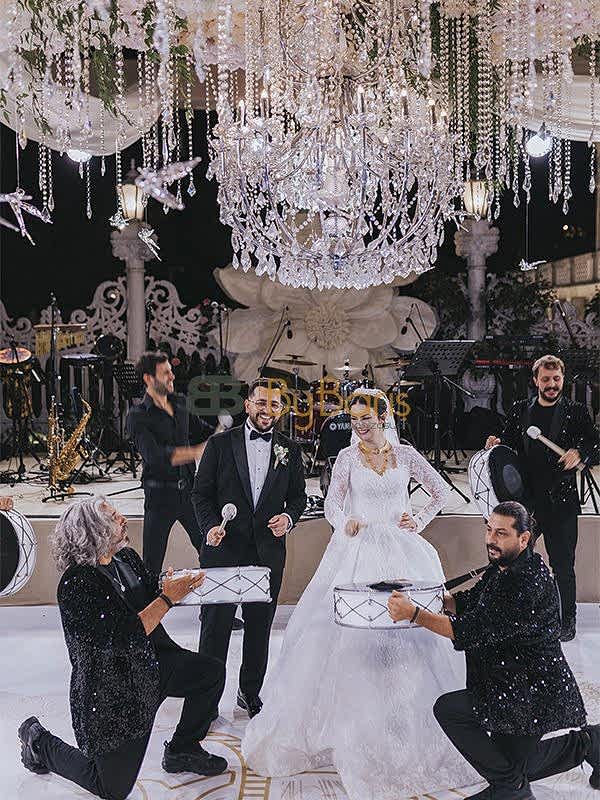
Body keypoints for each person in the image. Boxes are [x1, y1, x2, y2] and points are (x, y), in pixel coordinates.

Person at [241, 388, 477, 800]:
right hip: (358, 550)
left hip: (403, 552)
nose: (360, 426)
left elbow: (440, 491)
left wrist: (418, 519)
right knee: (348, 641)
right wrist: (344, 520)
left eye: (366, 419)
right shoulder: (347, 458)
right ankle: (358, 725)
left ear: (383, 417)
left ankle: (405, 722)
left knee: (411, 639)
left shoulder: (406, 455)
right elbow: (331, 505)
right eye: (354, 420)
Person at [17, 497, 227, 800]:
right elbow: (123, 637)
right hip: (117, 690)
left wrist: (170, 584)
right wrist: (167, 599)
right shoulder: (77, 584)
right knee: (111, 788)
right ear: (95, 531)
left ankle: (183, 749)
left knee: (210, 673)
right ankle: (40, 743)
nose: (123, 520)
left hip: (155, 663)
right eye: (115, 518)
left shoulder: (125, 557)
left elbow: (145, 592)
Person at [388, 500, 599, 800]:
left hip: (531, 691)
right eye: (489, 530)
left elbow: (469, 630)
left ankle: (510, 789)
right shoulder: (506, 567)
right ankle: (591, 743)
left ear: (523, 538)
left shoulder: (524, 581)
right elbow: (469, 602)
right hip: (508, 684)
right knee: (515, 763)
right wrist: (430, 597)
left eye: (501, 533)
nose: (490, 539)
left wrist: (414, 614)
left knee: (450, 710)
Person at [192, 378, 307, 719]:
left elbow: (298, 497)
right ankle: (206, 702)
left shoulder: (290, 450)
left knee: (259, 630)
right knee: (215, 631)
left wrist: (289, 518)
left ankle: (250, 692)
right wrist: (210, 527)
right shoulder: (219, 444)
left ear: (281, 410)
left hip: (267, 554)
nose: (267, 410)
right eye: (261, 402)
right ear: (247, 405)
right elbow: (200, 494)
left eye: (274, 404)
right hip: (224, 551)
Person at [485, 354, 599, 641]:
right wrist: (496, 444)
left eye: (556, 379)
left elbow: (594, 444)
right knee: (516, 562)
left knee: (563, 565)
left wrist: (581, 452)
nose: (551, 384)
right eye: (546, 379)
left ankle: (566, 621)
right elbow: (508, 447)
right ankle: (519, 617)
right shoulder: (519, 410)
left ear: (563, 379)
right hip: (526, 504)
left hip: (561, 501)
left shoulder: (576, 412)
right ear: (536, 380)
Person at [126, 351, 215, 576]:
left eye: (171, 372)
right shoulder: (137, 416)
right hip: (160, 497)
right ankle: (149, 600)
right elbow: (155, 456)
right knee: (151, 565)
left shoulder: (181, 402)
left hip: (190, 493)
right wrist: (195, 452)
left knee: (210, 550)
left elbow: (202, 431)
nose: (172, 377)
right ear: (148, 378)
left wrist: (226, 435)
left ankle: (214, 600)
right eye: (166, 373)